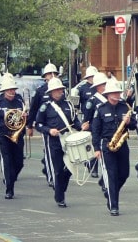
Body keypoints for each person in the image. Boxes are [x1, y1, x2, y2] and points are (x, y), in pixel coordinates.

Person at [36, 78, 86, 207]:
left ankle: (61, 190)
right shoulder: (45, 107)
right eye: (57, 90)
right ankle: (60, 197)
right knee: (58, 170)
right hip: (54, 141)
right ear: (51, 92)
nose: (60, 92)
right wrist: (49, 130)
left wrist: (81, 127)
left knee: (70, 169)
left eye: (61, 90)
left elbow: (74, 121)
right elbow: (39, 124)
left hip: (68, 140)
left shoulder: (68, 104)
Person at [92, 81, 134, 216]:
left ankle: (111, 192)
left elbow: (134, 125)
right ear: (108, 95)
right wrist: (96, 148)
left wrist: (129, 122)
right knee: (112, 175)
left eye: (118, 93)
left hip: (122, 144)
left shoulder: (125, 107)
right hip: (107, 145)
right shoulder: (101, 109)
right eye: (114, 93)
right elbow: (96, 130)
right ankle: (114, 205)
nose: (117, 95)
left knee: (124, 173)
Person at [0, 76, 26, 199]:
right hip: (4, 136)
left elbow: (24, 119)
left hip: (17, 136)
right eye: (9, 90)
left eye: (13, 89)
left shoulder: (19, 102)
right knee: (7, 162)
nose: (12, 92)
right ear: (4, 91)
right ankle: (9, 189)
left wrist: (25, 116)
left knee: (19, 163)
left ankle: (10, 179)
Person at [28, 62, 59, 188]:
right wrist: (30, 125)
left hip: (59, 125)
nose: (52, 76)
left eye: (54, 74)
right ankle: (51, 177)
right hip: (45, 125)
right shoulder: (40, 91)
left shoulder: (61, 90)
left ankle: (49, 169)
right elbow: (33, 109)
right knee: (48, 152)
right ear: (45, 76)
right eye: (49, 74)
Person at [84, 72, 109, 195]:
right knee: (97, 152)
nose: (106, 86)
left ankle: (105, 181)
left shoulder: (110, 98)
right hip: (96, 130)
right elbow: (87, 118)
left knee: (107, 160)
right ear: (98, 87)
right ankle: (94, 168)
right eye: (104, 84)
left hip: (108, 131)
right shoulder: (92, 100)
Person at [78, 66, 99, 178]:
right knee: (89, 144)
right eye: (91, 76)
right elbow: (77, 104)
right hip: (88, 119)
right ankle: (89, 162)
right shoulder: (82, 89)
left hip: (99, 119)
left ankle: (94, 167)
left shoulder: (100, 88)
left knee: (96, 143)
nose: (93, 78)